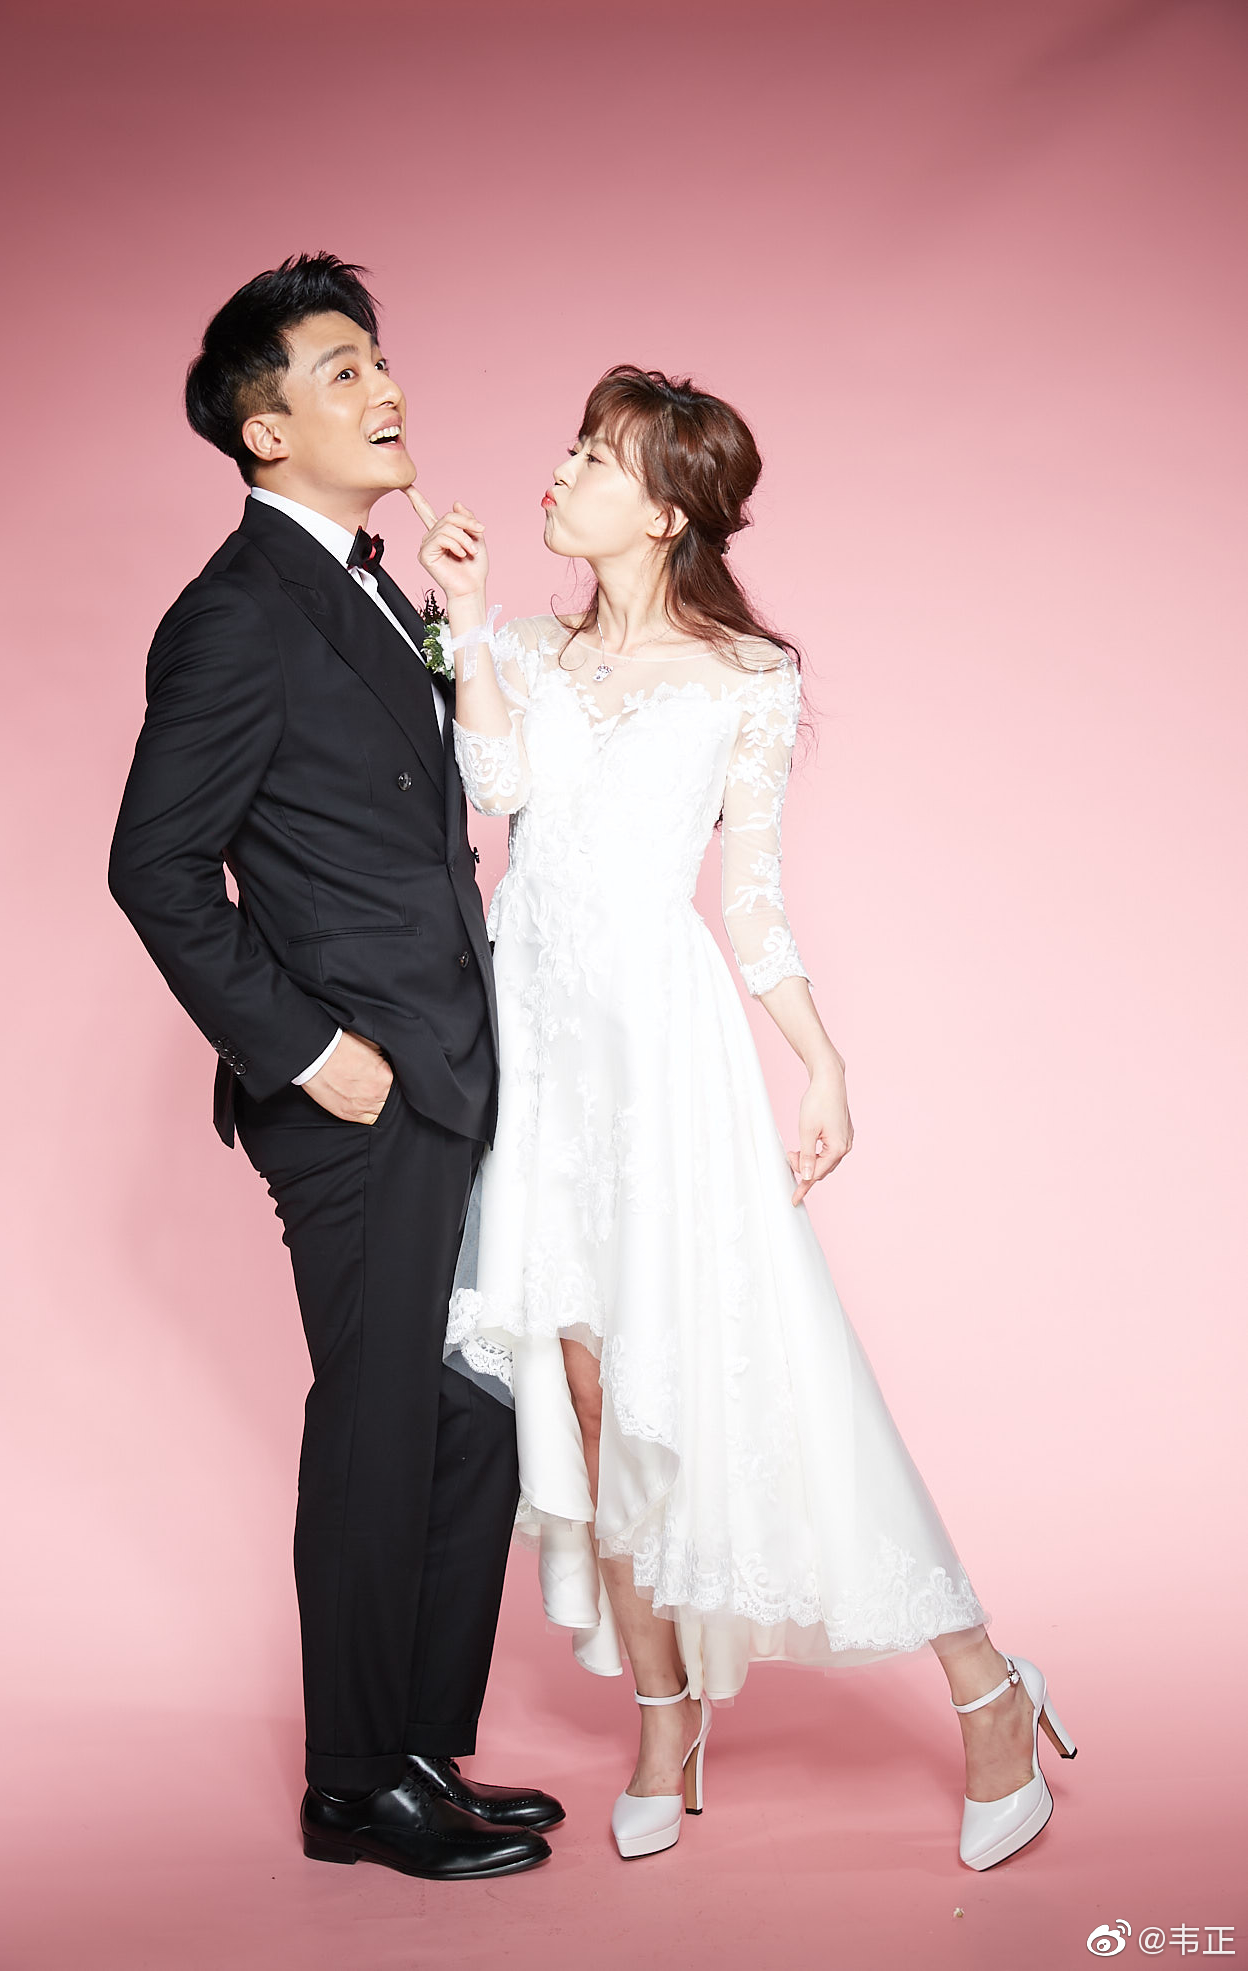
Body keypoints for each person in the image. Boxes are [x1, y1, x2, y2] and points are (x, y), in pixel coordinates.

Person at [408, 364, 1077, 1871]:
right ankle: (666, 1719)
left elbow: (753, 902)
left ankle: (990, 1689)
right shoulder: (525, 644)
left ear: (663, 512)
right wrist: (467, 622)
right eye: (570, 447)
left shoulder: (746, 678)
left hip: (663, 1054)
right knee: (586, 1398)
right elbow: (498, 788)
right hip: (543, 1053)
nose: (560, 472)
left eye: (596, 459)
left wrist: (822, 1066)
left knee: (754, 1373)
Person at [108, 253, 562, 1880]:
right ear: (262, 428)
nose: (386, 390)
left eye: (381, 360)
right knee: (380, 1423)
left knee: (468, 1418)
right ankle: (357, 1787)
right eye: (344, 370)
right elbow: (155, 865)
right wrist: (310, 1054)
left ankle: (418, 1749)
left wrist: (454, 626)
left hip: (450, 1074)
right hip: (357, 1094)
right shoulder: (235, 612)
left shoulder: (368, 590)